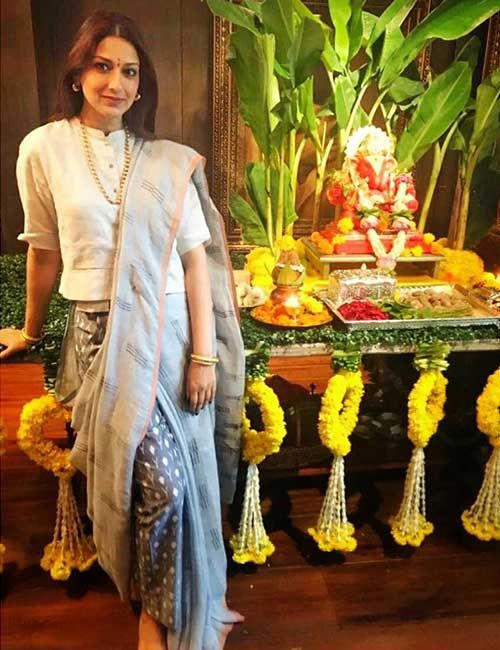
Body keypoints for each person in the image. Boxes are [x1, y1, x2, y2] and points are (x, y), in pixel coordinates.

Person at [0, 10, 245, 650]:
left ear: (143, 84)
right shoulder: (43, 148)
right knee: (125, 480)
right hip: (94, 334)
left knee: (168, 485)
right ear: (78, 72)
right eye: (103, 66)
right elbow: (44, 251)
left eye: (130, 71)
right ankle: (147, 590)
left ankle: (158, 613)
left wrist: (203, 357)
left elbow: (195, 262)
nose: (116, 82)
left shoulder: (162, 160)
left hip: (165, 337)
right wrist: (28, 329)